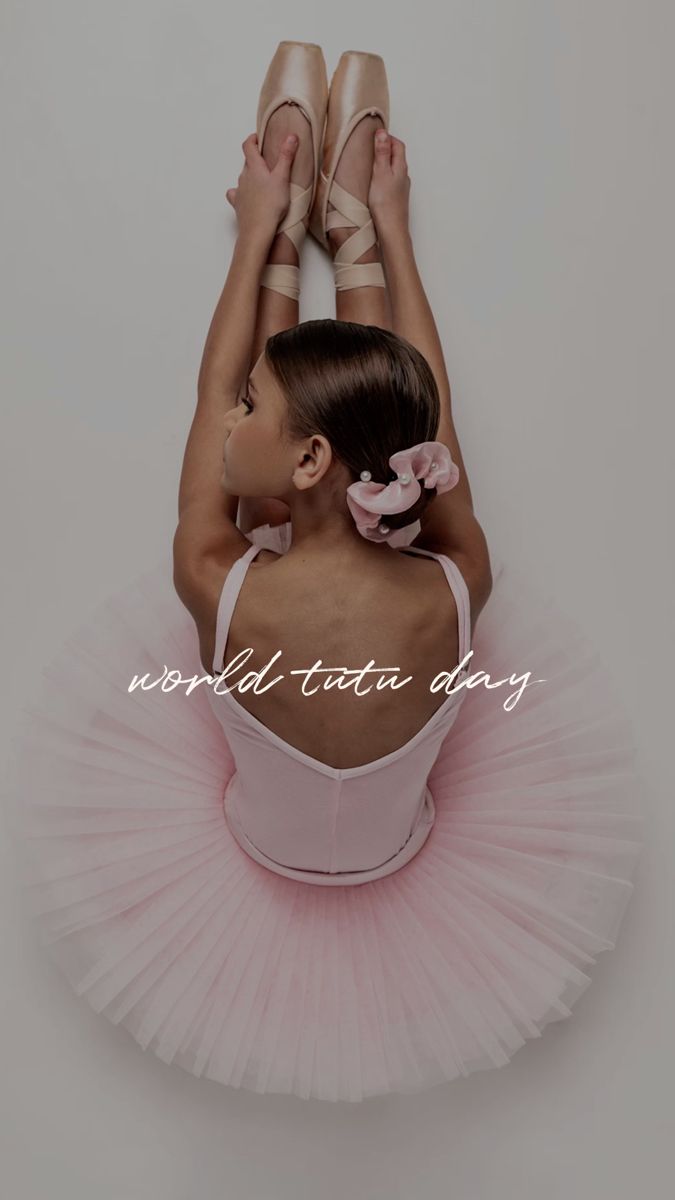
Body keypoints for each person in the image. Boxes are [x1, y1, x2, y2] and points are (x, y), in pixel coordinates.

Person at [5, 43, 643, 1103]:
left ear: (308, 460)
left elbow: (217, 398)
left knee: (265, 511)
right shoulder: (456, 583)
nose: (234, 417)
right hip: (414, 844)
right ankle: (346, 235)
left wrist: (253, 231)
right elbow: (424, 411)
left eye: (263, 412)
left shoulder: (220, 583)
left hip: (249, 838)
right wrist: (397, 233)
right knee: (332, 461)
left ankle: (299, 246)